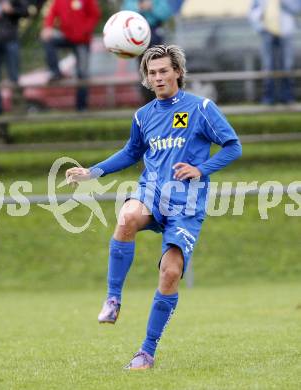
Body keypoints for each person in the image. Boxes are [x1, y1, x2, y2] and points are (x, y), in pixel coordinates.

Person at [66, 45, 242, 370]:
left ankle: (145, 352)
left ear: (177, 72)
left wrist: (202, 169)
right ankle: (113, 298)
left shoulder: (201, 108)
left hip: (186, 204)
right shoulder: (143, 116)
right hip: (152, 193)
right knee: (128, 215)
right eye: (152, 72)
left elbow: (233, 146)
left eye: (164, 71)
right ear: (146, 78)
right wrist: (92, 172)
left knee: (171, 274)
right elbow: (130, 152)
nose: (158, 77)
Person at [40, 0, 101, 111]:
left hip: (83, 40)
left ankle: (81, 108)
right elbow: (51, 14)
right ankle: (55, 72)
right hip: (67, 36)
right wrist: (47, 27)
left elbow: (95, 15)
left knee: (82, 74)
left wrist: (85, 30)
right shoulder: (59, 1)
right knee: (48, 39)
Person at [248, 0, 301, 104]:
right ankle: (269, 98)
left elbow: (297, 9)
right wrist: (259, 26)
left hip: (286, 32)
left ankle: (287, 97)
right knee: (268, 66)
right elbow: (252, 11)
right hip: (267, 31)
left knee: (287, 65)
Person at [121, 0, 173, 103]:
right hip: (137, 36)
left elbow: (166, 13)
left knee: (159, 69)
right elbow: (125, 13)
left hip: (154, 36)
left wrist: (151, 8)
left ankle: (162, 100)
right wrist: (139, 7)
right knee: (144, 71)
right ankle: (148, 102)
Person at [0, 0, 29, 116]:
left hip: (11, 40)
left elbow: (26, 12)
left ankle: (18, 110)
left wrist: (12, 11)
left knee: (14, 76)